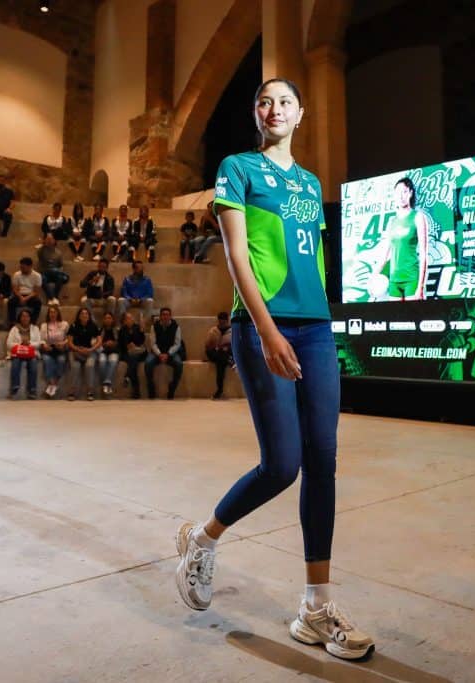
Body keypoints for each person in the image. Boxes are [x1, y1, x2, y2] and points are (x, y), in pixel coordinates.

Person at [173, 78, 374, 660]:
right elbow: (238, 255)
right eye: (265, 102)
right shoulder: (238, 168)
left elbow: (311, 256)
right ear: (256, 115)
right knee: (282, 465)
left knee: (324, 463)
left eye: (285, 101)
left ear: (301, 114)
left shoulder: (311, 184)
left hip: (315, 328)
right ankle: (204, 539)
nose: (275, 109)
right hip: (262, 324)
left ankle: (316, 606)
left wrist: (315, 322)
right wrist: (266, 331)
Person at [368, 177, 430, 300]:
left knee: (414, 318)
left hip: (412, 278)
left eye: (405, 192)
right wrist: (372, 278)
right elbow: (384, 257)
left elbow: (424, 254)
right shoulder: (392, 221)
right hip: (394, 280)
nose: (401, 196)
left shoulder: (418, 217)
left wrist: (421, 287)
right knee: (396, 317)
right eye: (398, 193)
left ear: (411, 193)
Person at [146, 306, 184, 400]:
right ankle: (151, 387)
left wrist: (168, 354)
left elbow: (177, 344)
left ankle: (172, 388)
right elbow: (153, 343)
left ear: (170, 316)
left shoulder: (176, 327)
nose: (165, 317)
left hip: (171, 353)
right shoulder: (154, 326)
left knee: (179, 364)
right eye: (163, 315)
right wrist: (159, 354)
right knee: (148, 363)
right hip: (157, 353)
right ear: (160, 316)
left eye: (167, 315)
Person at [6, 308, 41, 399]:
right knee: (15, 362)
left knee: (33, 363)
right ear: (20, 318)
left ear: (30, 318)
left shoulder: (35, 328)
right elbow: (9, 344)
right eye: (23, 316)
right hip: (18, 353)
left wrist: (29, 343)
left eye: (27, 316)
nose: (25, 318)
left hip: (31, 353)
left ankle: (32, 390)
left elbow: (38, 343)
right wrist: (21, 343)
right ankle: (14, 387)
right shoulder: (14, 329)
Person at [68, 307, 101, 401]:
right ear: (79, 316)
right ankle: (72, 392)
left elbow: (99, 341)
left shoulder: (93, 326)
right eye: (82, 313)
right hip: (76, 351)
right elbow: (69, 342)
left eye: (86, 313)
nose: (84, 315)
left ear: (89, 316)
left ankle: (90, 392)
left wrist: (91, 349)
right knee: (75, 366)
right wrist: (77, 349)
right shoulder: (74, 326)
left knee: (89, 366)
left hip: (90, 351)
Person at [39, 304, 70, 398]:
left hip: (60, 349)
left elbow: (69, 338)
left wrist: (63, 344)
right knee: (47, 360)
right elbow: (41, 339)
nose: (52, 314)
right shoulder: (44, 325)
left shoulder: (64, 324)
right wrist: (44, 345)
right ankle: (53, 384)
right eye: (50, 312)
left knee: (61, 360)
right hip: (49, 349)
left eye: (54, 312)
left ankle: (54, 384)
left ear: (58, 313)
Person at [116, 311, 148, 399]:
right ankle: (136, 391)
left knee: (133, 358)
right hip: (128, 353)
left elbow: (141, 341)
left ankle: (127, 376)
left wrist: (142, 331)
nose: (131, 319)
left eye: (132, 317)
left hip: (139, 352)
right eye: (129, 318)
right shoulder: (122, 330)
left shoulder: (137, 327)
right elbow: (121, 344)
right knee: (132, 360)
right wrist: (128, 346)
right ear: (124, 321)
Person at [205, 311, 234, 400]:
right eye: (220, 320)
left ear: (227, 320)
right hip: (215, 353)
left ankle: (219, 390)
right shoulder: (213, 330)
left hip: (225, 353)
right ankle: (229, 361)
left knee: (220, 363)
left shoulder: (232, 331)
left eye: (224, 321)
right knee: (219, 357)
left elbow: (235, 345)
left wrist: (226, 347)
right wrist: (217, 347)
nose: (222, 322)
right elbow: (207, 345)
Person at [36, 234, 70, 305]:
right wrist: (43, 244)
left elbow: (61, 266)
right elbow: (39, 255)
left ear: (54, 241)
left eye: (51, 239)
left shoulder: (58, 253)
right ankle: (52, 298)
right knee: (41, 278)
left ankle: (54, 297)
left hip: (55, 273)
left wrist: (60, 271)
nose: (49, 241)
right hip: (45, 272)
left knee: (60, 277)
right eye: (48, 239)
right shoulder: (41, 251)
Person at [8, 257, 43, 324]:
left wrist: (26, 298)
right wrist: (21, 297)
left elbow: (36, 291)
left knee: (38, 303)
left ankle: (33, 322)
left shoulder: (37, 276)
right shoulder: (16, 274)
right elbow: (14, 289)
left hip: (31, 295)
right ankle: (12, 322)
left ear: (30, 266)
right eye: (21, 267)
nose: (22, 269)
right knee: (11, 302)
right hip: (19, 295)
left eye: (24, 268)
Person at [96, 311, 119, 397]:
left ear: (113, 319)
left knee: (112, 362)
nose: (107, 320)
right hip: (103, 351)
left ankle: (107, 382)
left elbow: (119, 342)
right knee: (102, 362)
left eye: (109, 318)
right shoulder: (100, 330)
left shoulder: (116, 330)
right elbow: (97, 342)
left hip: (114, 351)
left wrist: (113, 343)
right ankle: (107, 382)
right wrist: (104, 344)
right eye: (106, 318)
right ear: (103, 320)